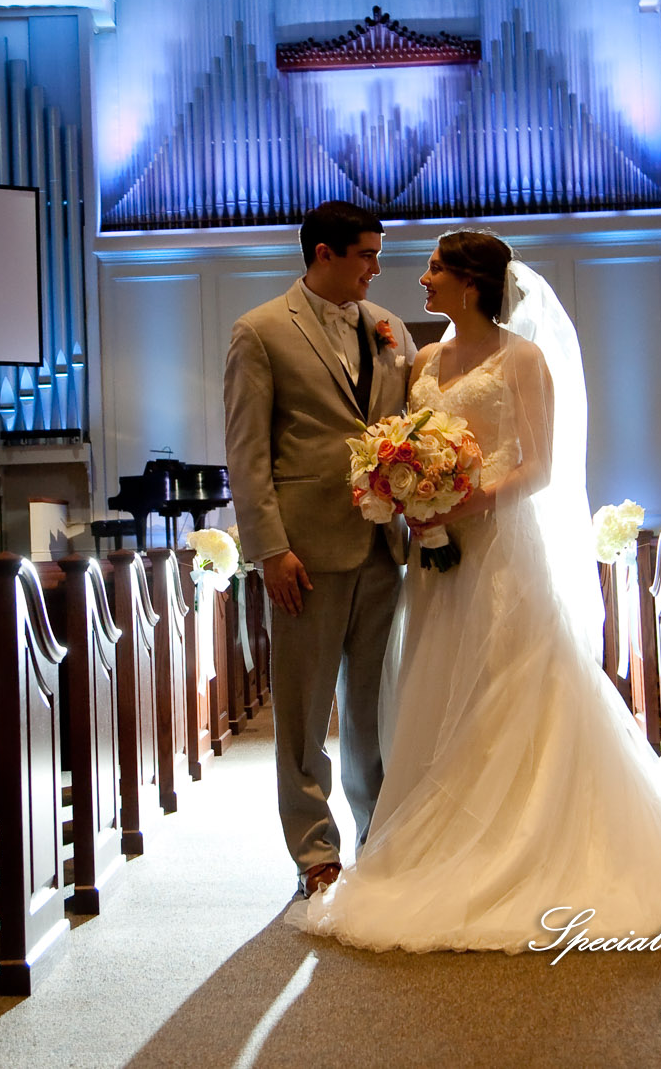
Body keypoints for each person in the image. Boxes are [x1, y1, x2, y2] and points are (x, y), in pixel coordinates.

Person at [289, 230, 661, 952]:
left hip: (501, 554)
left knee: (507, 683)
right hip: (436, 558)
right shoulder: (424, 359)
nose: (422, 278)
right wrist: (412, 492)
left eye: (436, 268)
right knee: (439, 687)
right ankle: (440, 838)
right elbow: (406, 437)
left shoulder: (524, 359)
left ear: (471, 282)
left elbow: (538, 466)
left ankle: (519, 836)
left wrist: (462, 500)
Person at [223, 201, 418, 900]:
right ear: (324, 254)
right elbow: (247, 453)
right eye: (366, 254)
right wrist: (270, 548)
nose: (376, 267)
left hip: (381, 544)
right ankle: (315, 851)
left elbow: (407, 425)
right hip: (302, 552)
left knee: (372, 708)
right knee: (304, 714)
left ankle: (377, 837)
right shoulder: (260, 330)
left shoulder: (389, 328)